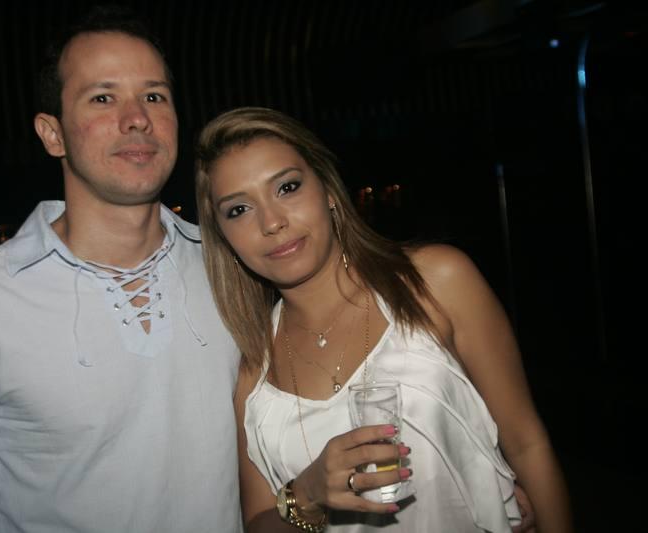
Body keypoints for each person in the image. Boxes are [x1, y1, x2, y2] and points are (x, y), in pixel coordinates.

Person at [0, 7, 242, 532]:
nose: (137, 118)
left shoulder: (230, 268)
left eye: (154, 96)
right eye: (103, 98)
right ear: (53, 135)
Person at [194, 107, 572, 532]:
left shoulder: (434, 283)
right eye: (239, 209)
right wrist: (308, 494)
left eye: (287, 187)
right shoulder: (253, 371)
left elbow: (527, 443)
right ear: (223, 237)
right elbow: (259, 521)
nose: (272, 222)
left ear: (329, 190)